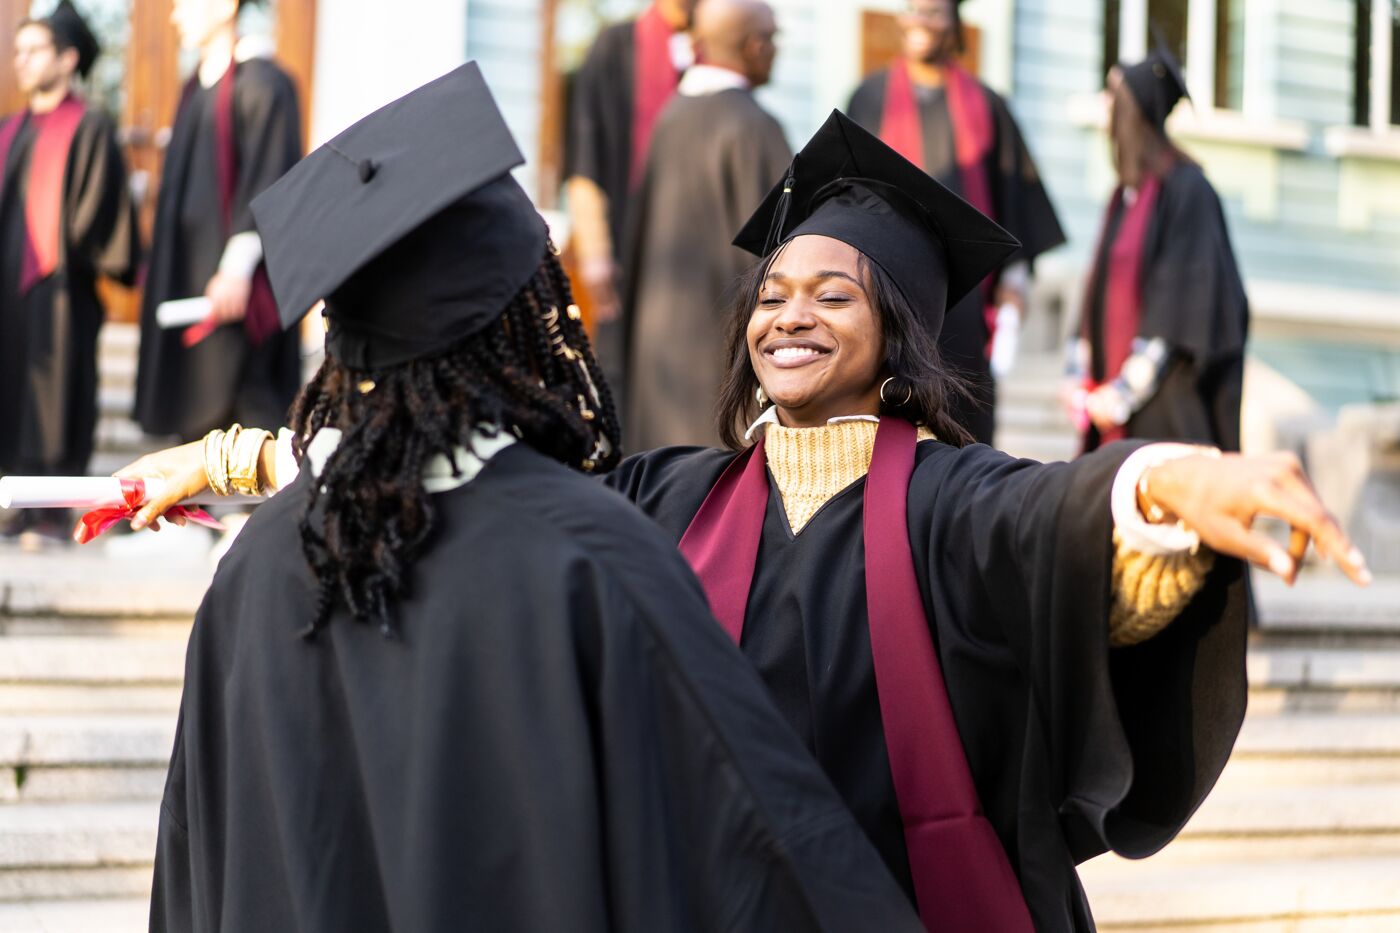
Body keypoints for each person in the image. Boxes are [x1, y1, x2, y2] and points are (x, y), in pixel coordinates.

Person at [125, 114, 1370, 931]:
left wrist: (1156, 490)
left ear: (900, 335)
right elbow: (456, 479)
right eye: (771, 292)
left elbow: (1056, 520)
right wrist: (239, 455)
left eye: (834, 293)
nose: (789, 314)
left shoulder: (950, 498)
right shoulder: (665, 496)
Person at [139, 65, 924, 933]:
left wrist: (239, 460)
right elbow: (752, 840)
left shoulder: (252, 570)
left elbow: (192, 868)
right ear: (525, 330)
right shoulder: (589, 553)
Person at [846, 0, 1065, 444]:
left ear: (955, 24)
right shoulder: (868, 98)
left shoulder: (987, 106)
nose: (921, 21)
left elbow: (1015, 207)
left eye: (934, 11)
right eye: (913, 9)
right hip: (890, 300)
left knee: (963, 437)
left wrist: (1014, 288)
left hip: (965, 306)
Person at [621, 0, 790, 450]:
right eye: (771, 39)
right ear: (754, 47)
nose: (775, 50)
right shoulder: (754, 127)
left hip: (657, 354)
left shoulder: (670, 118)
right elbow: (782, 254)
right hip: (723, 354)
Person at [132, 0, 302, 444]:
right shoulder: (196, 88)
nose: (176, 15)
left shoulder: (263, 83)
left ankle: (250, 511)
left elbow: (271, 175)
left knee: (243, 401)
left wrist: (236, 267)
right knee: (193, 398)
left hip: (233, 286)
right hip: (189, 273)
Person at [0, 1, 139, 539]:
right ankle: (21, 502)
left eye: (35, 50)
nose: (22, 61)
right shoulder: (10, 130)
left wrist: (70, 252)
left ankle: (54, 507)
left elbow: (101, 217)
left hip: (61, 293)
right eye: (18, 51)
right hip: (9, 295)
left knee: (59, 397)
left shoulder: (91, 125)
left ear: (67, 59)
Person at [1068, 41, 1248, 454]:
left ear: (1132, 112)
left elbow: (1181, 302)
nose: (1106, 109)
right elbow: (1097, 287)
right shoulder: (1124, 196)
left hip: (1164, 410)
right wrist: (1079, 375)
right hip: (1112, 408)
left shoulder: (1188, 190)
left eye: (1114, 97)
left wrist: (1123, 392)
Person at [564, 0, 697, 404]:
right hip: (623, 240)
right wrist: (595, 250)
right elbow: (586, 150)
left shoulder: (707, 54)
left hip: (688, 253)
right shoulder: (616, 46)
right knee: (619, 370)